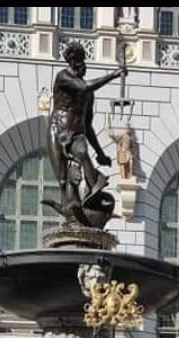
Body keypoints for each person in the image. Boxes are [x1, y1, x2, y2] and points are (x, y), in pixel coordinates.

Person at [47, 42, 127, 221]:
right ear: (73, 62)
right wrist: (113, 75)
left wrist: (100, 153)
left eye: (83, 61)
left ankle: (95, 194)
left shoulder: (88, 94)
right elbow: (84, 86)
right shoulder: (63, 77)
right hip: (57, 130)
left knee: (83, 153)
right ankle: (72, 212)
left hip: (77, 132)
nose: (83, 65)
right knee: (63, 179)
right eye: (80, 61)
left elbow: (88, 125)